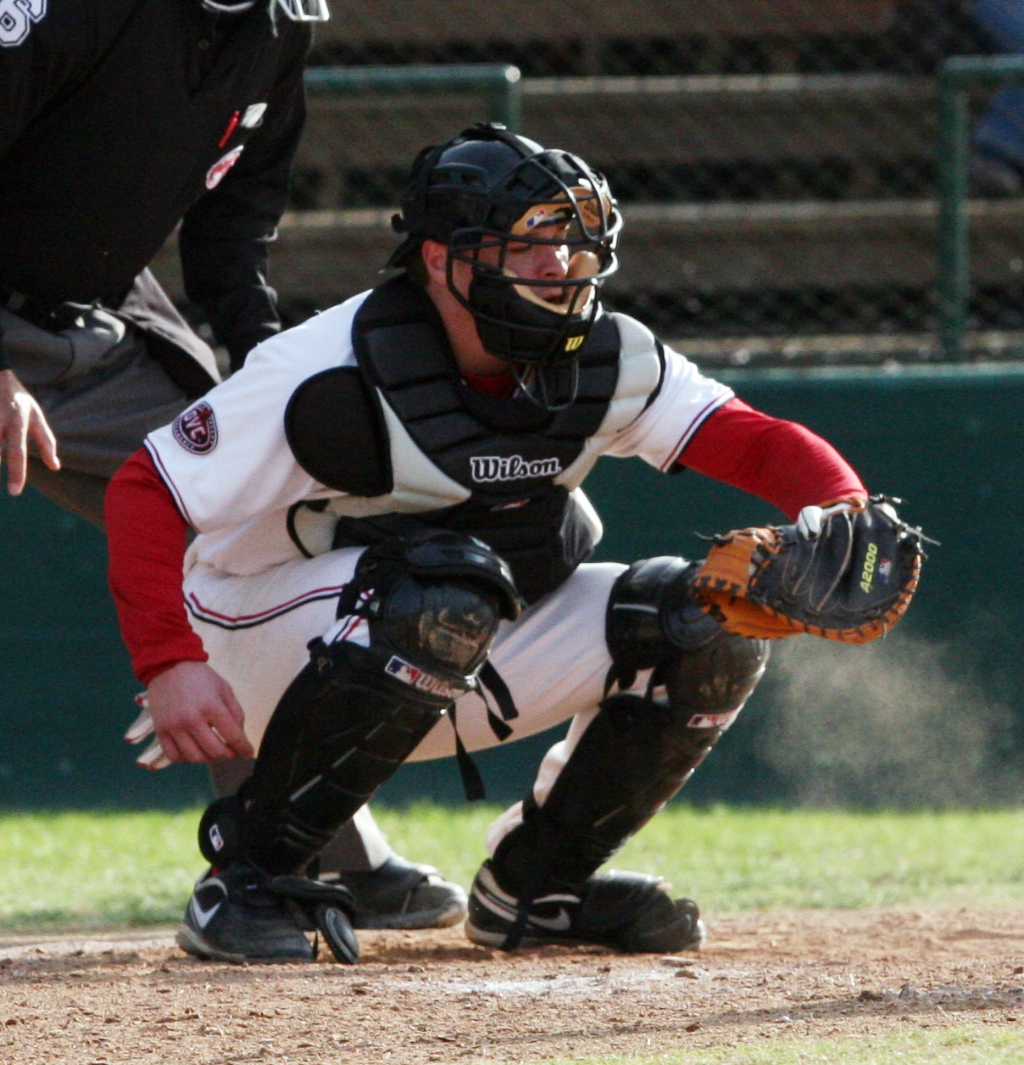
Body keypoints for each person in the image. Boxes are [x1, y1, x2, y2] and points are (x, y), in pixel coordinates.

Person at [104, 122, 873, 964]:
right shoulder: (325, 363)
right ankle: (245, 881)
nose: (559, 266)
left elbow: (753, 440)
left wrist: (844, 511)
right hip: (255, 651)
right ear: (442, 258)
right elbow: (147, 488)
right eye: (531, 243)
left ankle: (538, 889)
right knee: (445, 592)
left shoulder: (611, 355)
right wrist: (170, 663)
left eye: (574, 245)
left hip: (443, 632)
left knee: (709, 624)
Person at [0, 0, 464, 930]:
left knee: (244, 523)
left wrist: (280, 385)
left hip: (90, 316)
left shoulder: (280, 24)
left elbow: (234, 232)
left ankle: (297, 841)